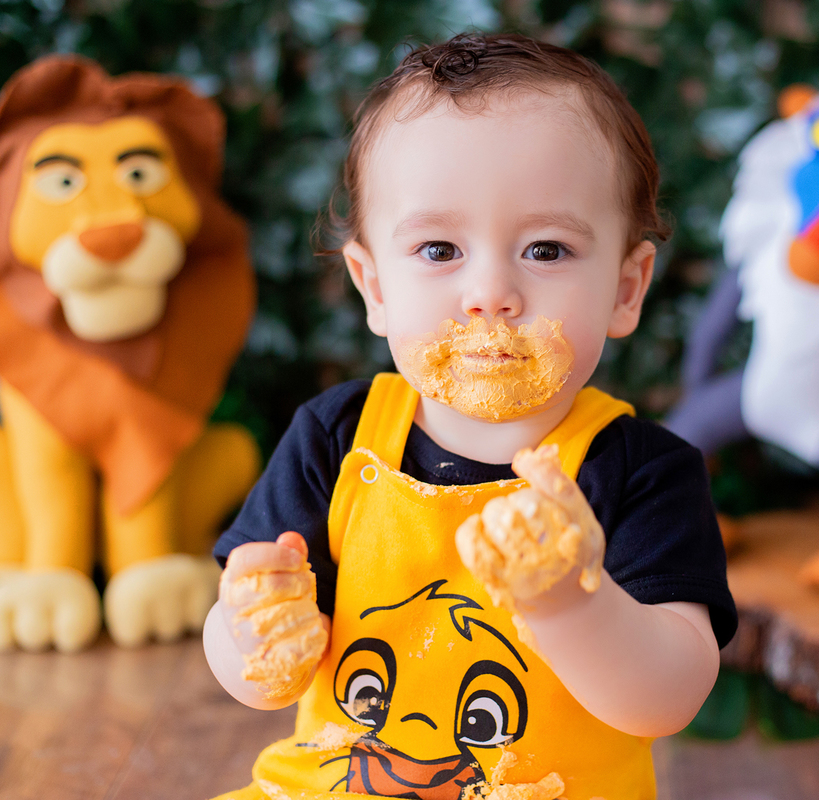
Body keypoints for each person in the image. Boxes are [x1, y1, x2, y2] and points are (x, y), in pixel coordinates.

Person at [203, 32, 737, 800]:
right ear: (374, 285)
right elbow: (248, 675)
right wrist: (251, 636)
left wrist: (567, 602)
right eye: (439, 249)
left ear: (626, 288)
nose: (491, 291)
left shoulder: (642, 471)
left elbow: (669, 698)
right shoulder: (335, 438)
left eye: (547, 250)